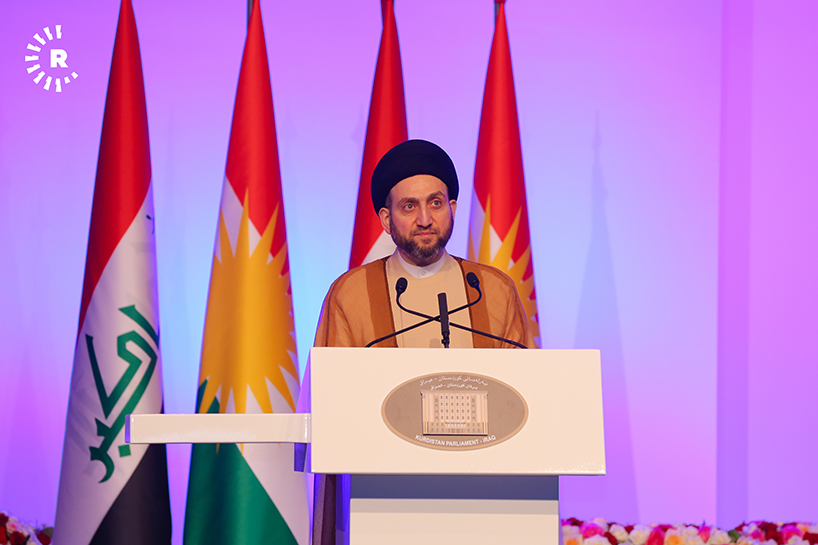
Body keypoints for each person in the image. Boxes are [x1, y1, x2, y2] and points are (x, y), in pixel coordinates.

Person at [306, 139, 536, 545]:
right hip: (382, 502)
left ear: (453, 208)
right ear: (386, 218)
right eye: (409, 207)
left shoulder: (493, 289)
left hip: (487, 499)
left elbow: (529, 397)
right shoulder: (351, 293)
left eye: (436, 203)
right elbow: (331, 406)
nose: (425, 219)